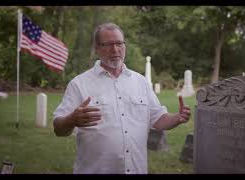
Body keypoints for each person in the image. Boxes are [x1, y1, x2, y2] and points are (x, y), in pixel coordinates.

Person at [53, 22, 191, 174]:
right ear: (97, 48)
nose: (115, 49)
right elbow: (58, 129)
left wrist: (177, 118)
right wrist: (71, 120)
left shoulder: (140, 82)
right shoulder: (79, 84)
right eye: (108, 44)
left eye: (119, 43)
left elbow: (158, 119)